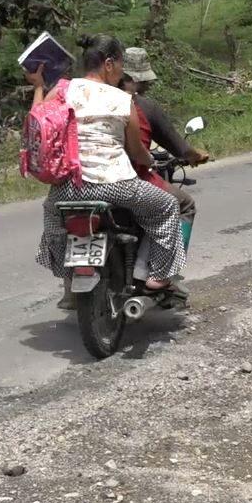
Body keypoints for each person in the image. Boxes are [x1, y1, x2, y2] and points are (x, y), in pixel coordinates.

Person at [28, 34, 186, 309]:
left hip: (67, 187)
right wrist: (149, 160)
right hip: (115, 184)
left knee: (53, 216)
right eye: (121, 65)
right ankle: (158, 277)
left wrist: (39, 87)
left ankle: (69, 276)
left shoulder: (63, 90)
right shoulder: (122, 99)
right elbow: (135, 151)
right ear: (109, 64)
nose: (122, 73)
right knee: (168, 207)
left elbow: (36, 126)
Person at [120, 47, 209, 246]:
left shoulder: (93, 99)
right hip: (130, 179)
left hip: (85, 181)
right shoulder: (141, 106)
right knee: (186, 205)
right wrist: (194, 155)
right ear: (135, 79)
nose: (148, 85)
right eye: (145, 80)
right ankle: (170, 263)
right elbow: (178, 147)